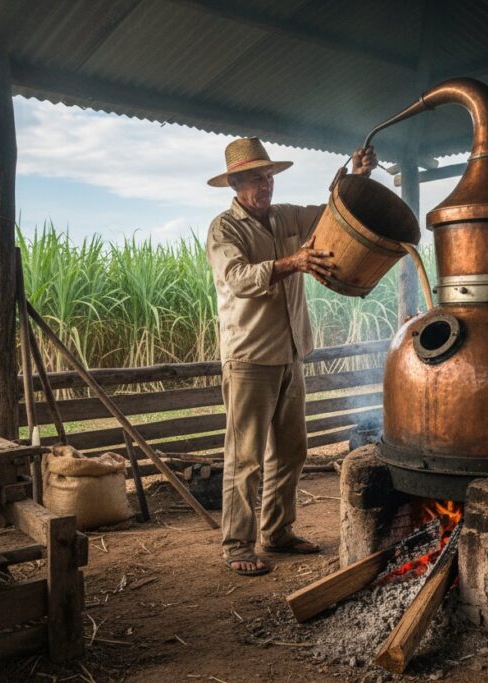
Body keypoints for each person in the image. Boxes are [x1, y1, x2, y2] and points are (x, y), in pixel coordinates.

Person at [205, 137, 376, 576]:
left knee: (290, 450)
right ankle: (238, 544)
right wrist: (292, 262)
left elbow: (330, 215)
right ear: (236, 184)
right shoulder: (225, 229)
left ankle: (277, 532)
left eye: (268, 177)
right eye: (256, 179)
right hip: (250, 357)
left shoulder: (286, 217)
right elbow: (239, 278)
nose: (266, 185)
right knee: (245, 456)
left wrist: (355, 177)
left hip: (290, 352)